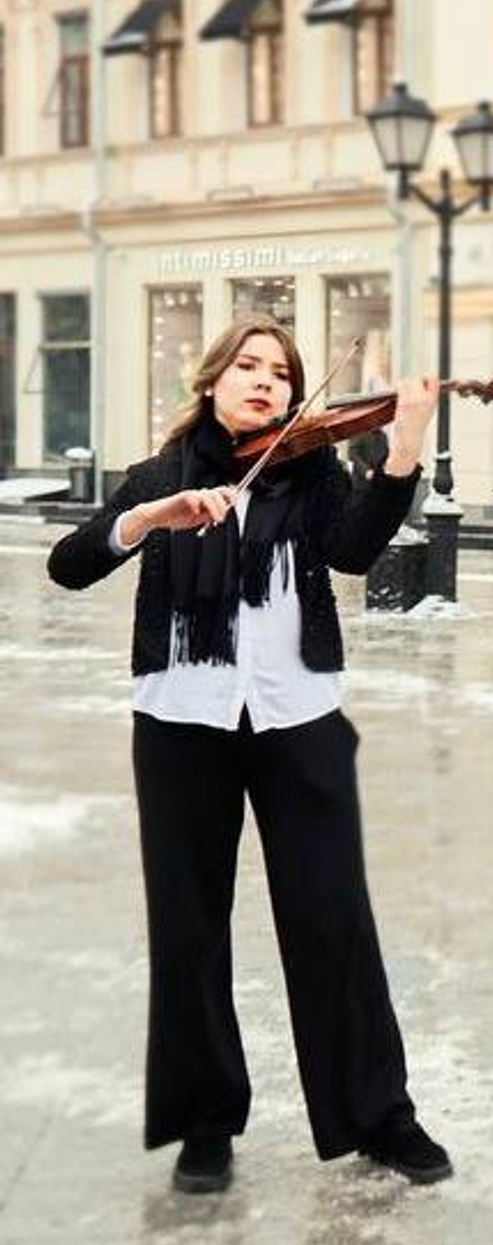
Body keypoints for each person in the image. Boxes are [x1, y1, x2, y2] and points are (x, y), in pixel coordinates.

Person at [46, 318, 453, 1195]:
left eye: (281, 372)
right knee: (190, 926)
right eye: (249, 367)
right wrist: (148, 519)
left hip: (297, 714)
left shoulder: (311, 471)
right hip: (182, 718)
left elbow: (353, 551)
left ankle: (380, 1115)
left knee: (334, 919)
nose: (266, 382)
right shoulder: (159, 476)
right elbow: (68, 565)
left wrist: (404, 442)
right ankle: (205, 1125)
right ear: (212, 380)